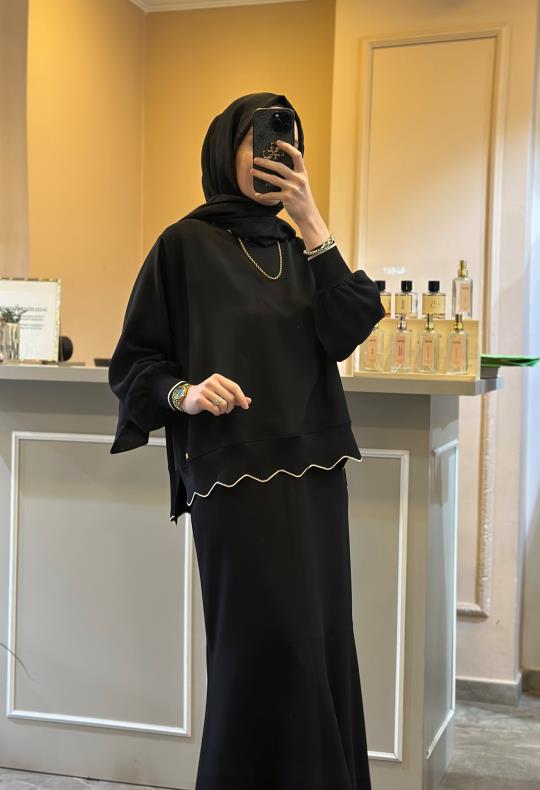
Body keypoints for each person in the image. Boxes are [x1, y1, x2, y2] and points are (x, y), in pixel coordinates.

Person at [108, 92, 385, 789]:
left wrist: (312, 219)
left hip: (316, 475)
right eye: (259, 140)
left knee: (320, 647)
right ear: (224, 148)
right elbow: (136, 364)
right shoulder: (183, 246)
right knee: (260, 653)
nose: (274, 154)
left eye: (287, 141)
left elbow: (347, 329)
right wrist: (187, 392)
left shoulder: (300, 248)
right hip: (233, 481)